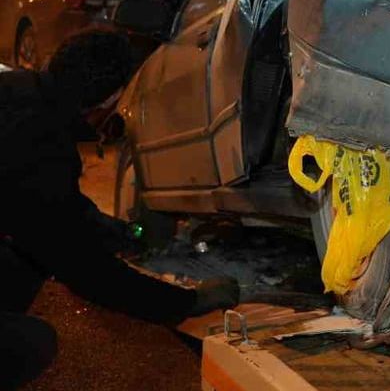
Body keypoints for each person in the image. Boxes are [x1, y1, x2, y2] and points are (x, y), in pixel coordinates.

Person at [0, 29, 239, 389]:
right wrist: (185, 303)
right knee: (31, 344)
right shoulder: (41, 144)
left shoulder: (16, 95)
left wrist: (102, 228)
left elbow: (36, 205)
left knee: (20, 260)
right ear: (107, 100)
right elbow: (83, 268)